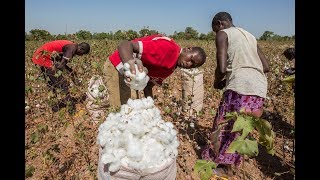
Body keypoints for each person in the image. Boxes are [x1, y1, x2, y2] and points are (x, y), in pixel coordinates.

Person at [201, 12, 270, 176]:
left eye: (215, 30)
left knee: (223, 124)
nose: (216, 34)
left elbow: (222, 68)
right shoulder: (250, 36)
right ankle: (231, 164)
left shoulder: (223, 34)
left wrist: (217, 81)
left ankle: (224, 167)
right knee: (241, 128)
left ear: (219, 24)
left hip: (240, 85)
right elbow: (266, 66)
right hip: (259, 87)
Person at [103, 34, 207, 107]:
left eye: (192, 66)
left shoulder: (172, 66)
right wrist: (129, 64)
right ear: (188, 49)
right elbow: (124, 44)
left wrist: (150, 105)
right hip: (118, 67)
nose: (189, 64)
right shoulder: (168, 49)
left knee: (133, 110)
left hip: (131, 76)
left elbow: (148, 85)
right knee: (125, 111)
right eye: (191, 60)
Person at [32, 40, 90, 114]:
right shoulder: (72, 48)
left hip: (41, 56)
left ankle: (54, 107)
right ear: (81, 49)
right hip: (44, 58)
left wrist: (71, 71)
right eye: (83, 54)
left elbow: (61, 62)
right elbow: (60, 66)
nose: (81, 56)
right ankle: (71, 109)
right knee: (63, 83)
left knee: (53, 84)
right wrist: (72, 77)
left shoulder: (71, 45)